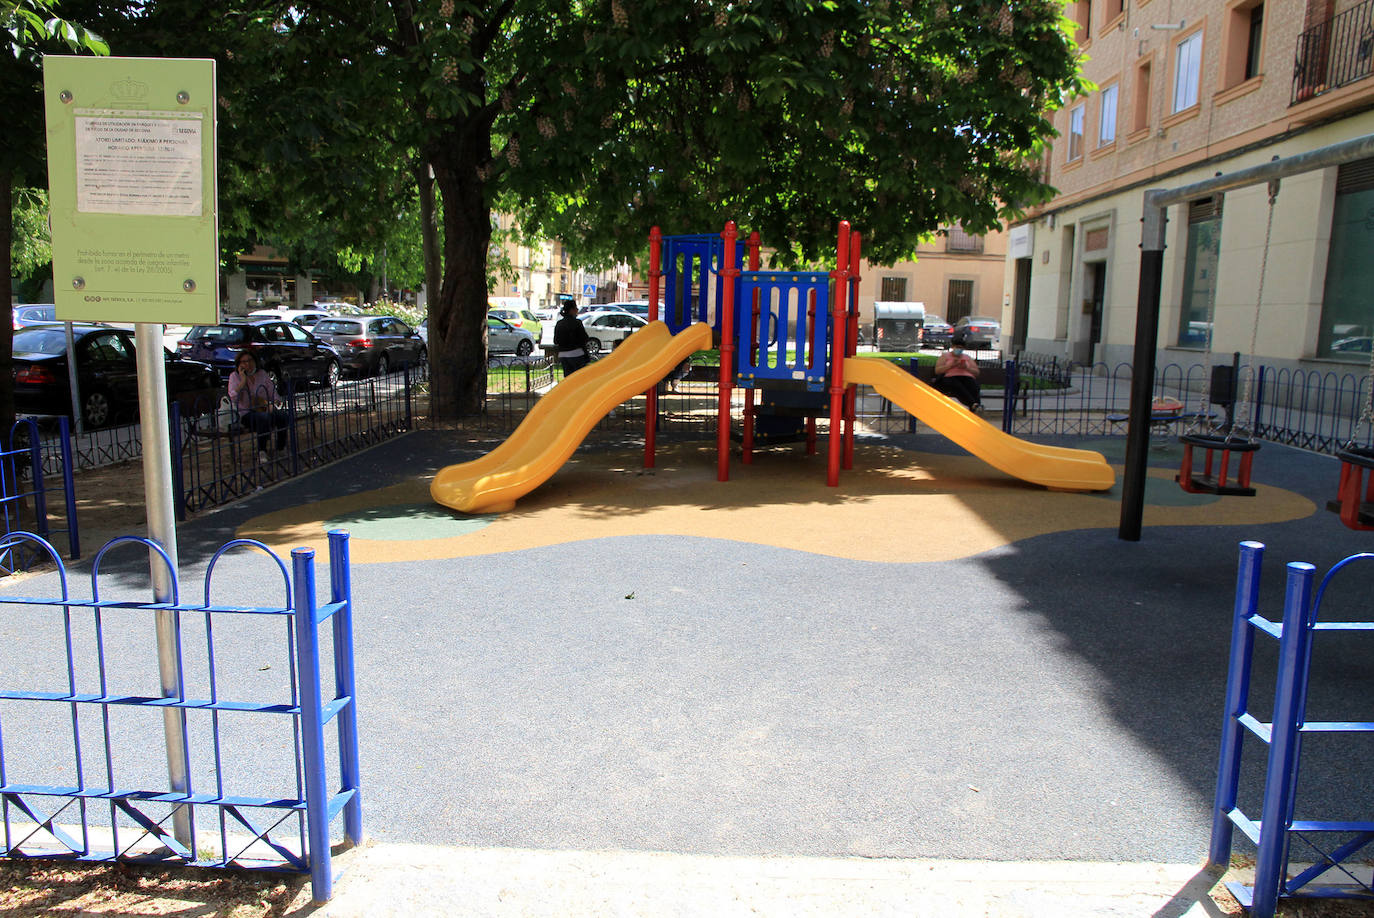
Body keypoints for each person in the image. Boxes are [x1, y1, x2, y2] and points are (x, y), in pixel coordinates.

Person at [227, 350, 290, 462]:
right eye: (244, 362)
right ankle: (262, 451)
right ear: (239, 364)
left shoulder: (262, 374)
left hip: (264, 408)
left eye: (250, 361)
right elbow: (233, 398)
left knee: (282, 416)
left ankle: (281, 447)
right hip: (246, 414)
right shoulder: (234, 377)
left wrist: (273, 403)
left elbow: (273, 393)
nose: (248, 364)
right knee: (263, 418)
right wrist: (242, 381)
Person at [933, 330, 981, 412]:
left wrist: (966, 367)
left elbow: (976, 372)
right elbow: (937, 371)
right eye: (957, 347)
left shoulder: (967, 357)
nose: (959, 349)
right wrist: (950, 365)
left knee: (973, 385)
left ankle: (975, 405)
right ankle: (974, 404)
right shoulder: (945, 356)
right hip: (950, 377)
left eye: (961, 348)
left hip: (965, 376)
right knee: (957, 386)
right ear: (953, 347)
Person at [553, 301, 591, 376]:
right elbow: (584, 338)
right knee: (578, 378)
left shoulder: (559, 323)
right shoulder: (577, 322)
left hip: (563, 355)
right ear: (571, 310)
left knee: (568, 378)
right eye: (576, 308)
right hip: (577, 354)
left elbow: (556, 340)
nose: (577, 310)